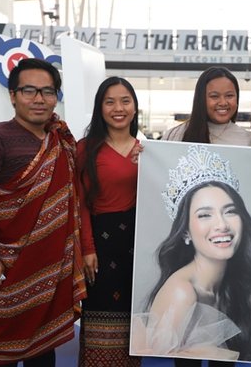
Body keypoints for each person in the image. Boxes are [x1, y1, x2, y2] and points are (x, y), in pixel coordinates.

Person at [0, 58, 87, 366]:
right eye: (29, 90)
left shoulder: (61, 140)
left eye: (48, 91)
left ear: (56, 97)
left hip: (53, 267)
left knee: (45, 349)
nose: (39, 99)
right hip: (8, 265)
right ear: (13, 95)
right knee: (3, 349)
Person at [131, 145, 251, 363]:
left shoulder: (235, 286)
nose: (222, 225)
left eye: (230, 211)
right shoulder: (182, 293)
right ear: (186, 232)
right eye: (205, 215)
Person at [77, 77, 141, 366]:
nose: (119, 108)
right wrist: (87, 248)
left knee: (134, 321)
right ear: (100, 108)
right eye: (110, 102)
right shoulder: (85, 149)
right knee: (100, 312)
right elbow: (80, 202)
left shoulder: (147, 150)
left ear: (135, 107)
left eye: (125, 101)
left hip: (137, 244)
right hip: (101, 243)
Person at [163, 66, 251, 146]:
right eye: (214, 96)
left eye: (229, 96)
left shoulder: (250, 141)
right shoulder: (175, 136)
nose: (223, 103)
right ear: (201, 99)